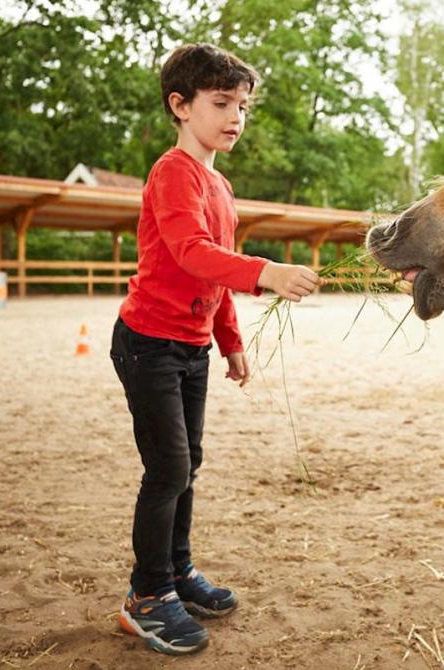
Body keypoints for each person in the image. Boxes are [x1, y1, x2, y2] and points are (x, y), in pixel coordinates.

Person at [110, 43, 320, 655]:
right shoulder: (172, 173)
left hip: (191, 348)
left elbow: (214, 276)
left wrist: (230, 343)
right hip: (148, 343)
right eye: (221, 102)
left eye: (243, 106)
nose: (236, 117)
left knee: (187, 465)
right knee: (168, 468)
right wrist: (268, 273)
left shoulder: (220, 184)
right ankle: (145, 597)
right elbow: (191, 253)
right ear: (180, 106)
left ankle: (176, 573)